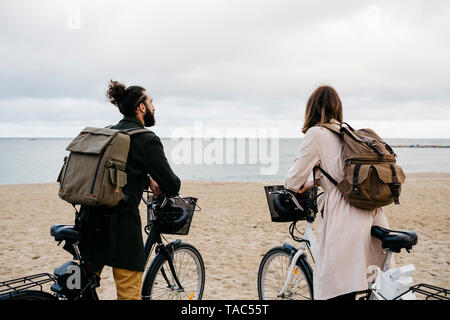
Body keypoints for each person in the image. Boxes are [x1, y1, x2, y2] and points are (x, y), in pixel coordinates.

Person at [284, 85, 391, 300]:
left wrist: (295, 186)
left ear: (311, 109)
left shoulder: (317, 133)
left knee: (337, 287)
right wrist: (316, 182)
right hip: (372, 213)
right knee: (369, 283)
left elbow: (292, 181)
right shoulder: (347, 133)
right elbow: (341, 172)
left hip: (345, 217)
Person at [78, 80, 181, 300]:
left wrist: (146, 180)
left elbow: (116, 169)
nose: (154, 107)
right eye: (151, 102)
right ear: (141, 107)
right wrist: (160, 182)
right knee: (128, 293)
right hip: (121, 227)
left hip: (90, 220)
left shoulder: (110, 132)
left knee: (82, 288)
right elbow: (172, 185)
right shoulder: (146, 139)